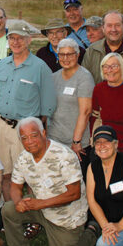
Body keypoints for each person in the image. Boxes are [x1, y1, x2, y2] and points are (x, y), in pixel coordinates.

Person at [0, 117, 96, 246]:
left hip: (67, 216)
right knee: (9, 209)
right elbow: (15, 186)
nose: (30, 141)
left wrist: (41, 204)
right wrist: (18, 202)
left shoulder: (63, 155)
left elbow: (74, 193)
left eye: (34, 135)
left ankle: (91, 232)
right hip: (40, 207)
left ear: (43, 133)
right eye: (24, 138)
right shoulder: (24, 157)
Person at [0, 20, 56, 199]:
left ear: (29, 40)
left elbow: (48, 104)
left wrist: (41, 129)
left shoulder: (40, 67)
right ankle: (10, 213)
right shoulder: (2, 65)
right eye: (12, 38)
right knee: (4, 173)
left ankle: (32, 218)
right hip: (2, 126)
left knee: (28, 175)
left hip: (25, 128)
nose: (16, 42)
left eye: (20, 38)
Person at [47, 38, 95, 171]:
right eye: (62, 54)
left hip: (75, 144)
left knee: (76, 185)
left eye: (70, 54)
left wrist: (76, 141)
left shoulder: (84, 77)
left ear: (78, 55)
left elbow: (85, 112)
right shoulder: (53, 77)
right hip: (55, 141)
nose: (66, 58)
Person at [82, 11, 123, 84]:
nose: (113, 29)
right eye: (109, 25)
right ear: (103, 28)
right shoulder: (91, 51)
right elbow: (84, 80)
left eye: (117, 25)